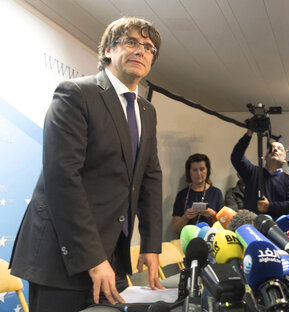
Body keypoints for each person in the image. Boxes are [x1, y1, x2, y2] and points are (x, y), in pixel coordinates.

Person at [9, 17, 163, 311]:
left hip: (113, 256)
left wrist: (151, 245)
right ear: (107, 49)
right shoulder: (76, 93)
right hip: (63, 257)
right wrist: (93, 258)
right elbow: (63, 179)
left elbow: (150, 178)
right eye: (131, 42)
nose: (141, 51)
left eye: (149, 47)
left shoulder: (147, 111)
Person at [230, 129, 289, 219]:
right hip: (252, 228)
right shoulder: (252, 172)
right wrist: (249, 134)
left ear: (284, 159)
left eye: (279, 149)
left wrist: (270, 206)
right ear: (264, 157)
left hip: (277, 229)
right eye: (271, 148)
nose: (275, 149)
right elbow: (236, 157)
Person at [172, 153, 224, 235]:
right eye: (194, 170)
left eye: (202, 169)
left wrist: (213, 216)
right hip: (187, 239)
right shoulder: (182, 195)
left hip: (210, 239)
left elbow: (223, 227)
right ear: (189, 172)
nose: (199, 174)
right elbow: (176, 230)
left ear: (207, 170)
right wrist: (185, 217)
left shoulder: (216, 193)